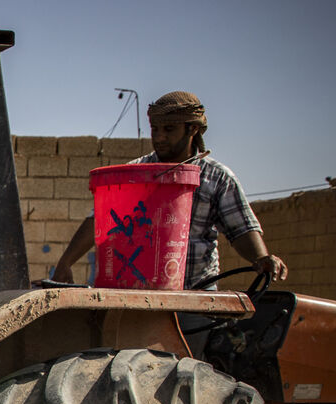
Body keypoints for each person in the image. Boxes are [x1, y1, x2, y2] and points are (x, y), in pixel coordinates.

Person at [52, 91, 287, 288]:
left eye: (169, 129)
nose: (160, 137)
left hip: (194, 298)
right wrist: (66, 263)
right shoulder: (136, 174)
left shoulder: (217, 178)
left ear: (192, 129)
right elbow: (101, 220)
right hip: (139, 295)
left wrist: (261, 258)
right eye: (155, 129)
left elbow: (241, 229)